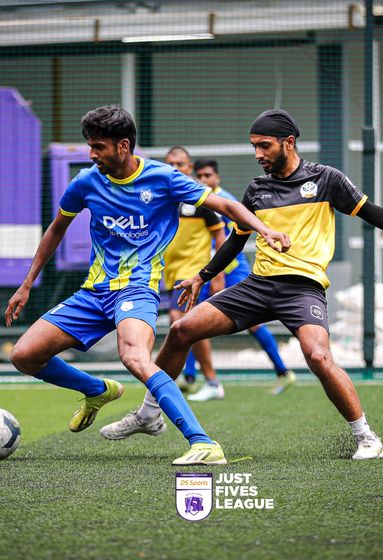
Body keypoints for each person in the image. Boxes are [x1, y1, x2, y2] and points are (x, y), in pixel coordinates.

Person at [110, 109, 383, 460]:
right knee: (181, 330)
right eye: (254, 146)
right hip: (258, 286)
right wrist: (201, 277)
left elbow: (371, 211)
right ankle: (149, 413)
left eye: (264, 146)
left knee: (318, 356)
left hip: (303, 289)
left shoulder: (326, 179)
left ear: (288, 143)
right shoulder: (257, 189)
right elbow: (235, 240)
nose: (258, 154)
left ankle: (366, 438)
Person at [5, 105, 290, 466]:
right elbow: (56, 229)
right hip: (93, 292)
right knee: (24, 355)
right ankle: (97, 390)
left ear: (123, 146)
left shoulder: (164, 178)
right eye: (89, 146)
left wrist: (264, 230)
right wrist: (27, 283)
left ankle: (203, 442)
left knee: (134, 357)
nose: (91, 154)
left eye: (98, 147)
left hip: (137, 289)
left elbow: (226, 207)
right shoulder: (86, 182)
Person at [181, 157, 295, 400]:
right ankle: (189, 377)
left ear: (217, 177)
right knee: (190, 319)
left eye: (208, 176)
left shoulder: (226, 201)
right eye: (200, 176)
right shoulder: (198, 199)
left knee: (252, 323)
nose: (204, 180)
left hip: (232, 269)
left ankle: (282, 371)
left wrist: (219, 275)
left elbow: (232, 238)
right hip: (210, 270)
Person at [163, 147, 226, 401]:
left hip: (193, 271)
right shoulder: (163, 195)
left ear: (189, 168)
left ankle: (203, 380)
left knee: (181, 320)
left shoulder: (198, 195)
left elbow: (220, 233)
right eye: (170, 164)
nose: (175, 168)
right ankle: (196, 379)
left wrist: (217, 273)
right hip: (170, 273)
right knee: (186, 325)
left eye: (180, 164)